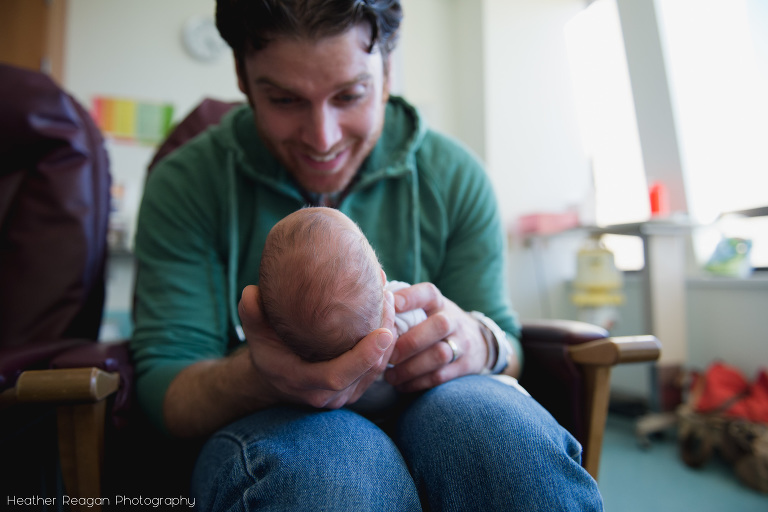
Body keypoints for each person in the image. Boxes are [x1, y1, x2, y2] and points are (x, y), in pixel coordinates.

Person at [130, 0, 605, 510]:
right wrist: (259, 378)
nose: (322, 138)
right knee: (331, 472)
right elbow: (165, 390)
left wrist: (479, 341)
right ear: (243, 80)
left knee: (499, 439)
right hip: (270, 426)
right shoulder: (186, 185)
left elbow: (508, 339)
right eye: (285, 100)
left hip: (442, 401)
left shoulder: (455, 176)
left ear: (388, 71)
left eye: (349, 95)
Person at [260, 206, 426, 413]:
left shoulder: (294, 351)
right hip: (407, 401)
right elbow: (428, 334)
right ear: (382, 277)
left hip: (336, 413)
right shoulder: (402, 308)